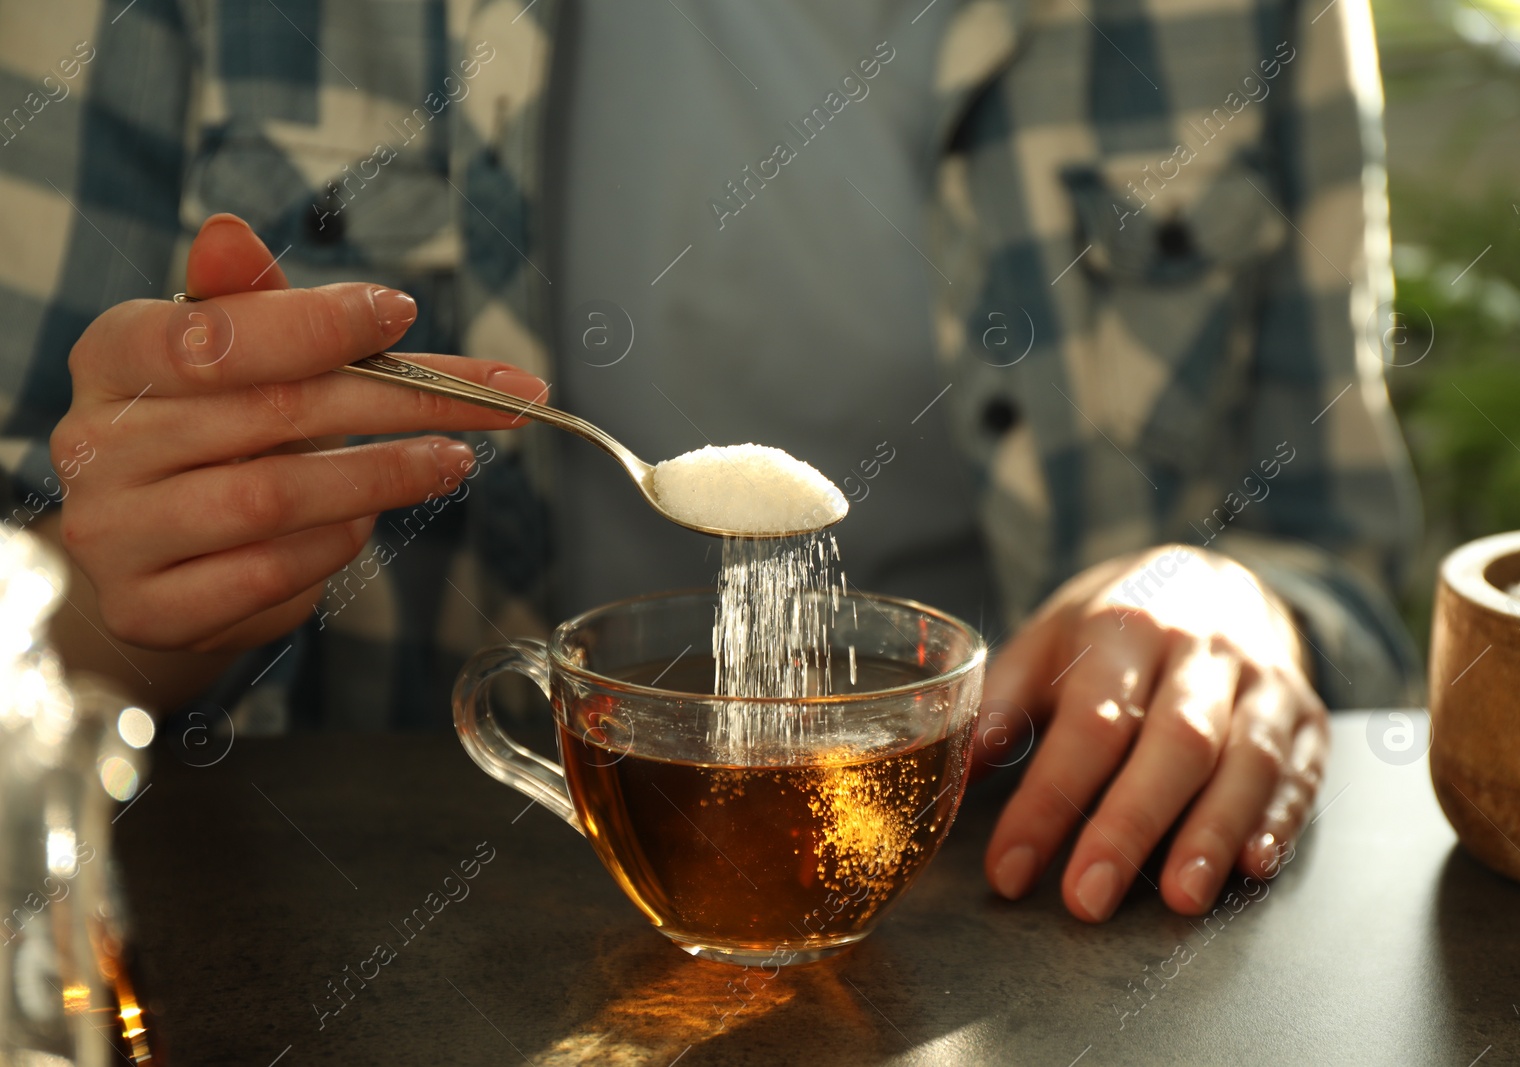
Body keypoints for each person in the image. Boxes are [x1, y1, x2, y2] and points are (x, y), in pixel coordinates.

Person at [0, 0, 1420, 925]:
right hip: (343, 938)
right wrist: (94, 611)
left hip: (1026, 910)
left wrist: (1242, 608)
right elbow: (38, 582)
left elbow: (1345, 566)